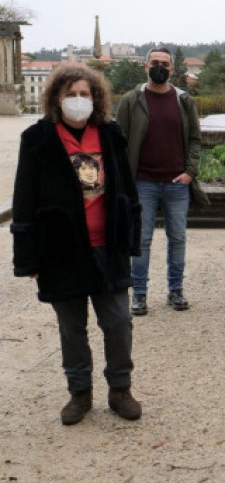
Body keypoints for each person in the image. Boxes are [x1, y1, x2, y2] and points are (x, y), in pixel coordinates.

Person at [11, 63, 143, 425]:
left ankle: (120, 388)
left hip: (108, 246)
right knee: (72, 327)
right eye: (71, 94)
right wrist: (28, 256)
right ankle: (79, 392)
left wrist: (131, 238)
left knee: (118, 321)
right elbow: (24, 199)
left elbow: (128, 192)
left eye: (85, 94)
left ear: (96, 97)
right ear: (56, 98)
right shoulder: (37, 139)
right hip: (61, 250)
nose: (78, 100)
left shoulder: (111, 134)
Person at [116, 46, 207, 316]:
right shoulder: (132, 100)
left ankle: (176, 290)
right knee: (141, 241)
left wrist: (190, 171)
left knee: (177, 239)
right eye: (155, 62)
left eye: (165, 63)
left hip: (177, 183)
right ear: (145, 66)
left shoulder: (183, 100)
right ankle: (140, 294)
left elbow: (195, 139)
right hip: (142, 181)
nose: (160, 67)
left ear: (172, 69)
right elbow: (118, 141)